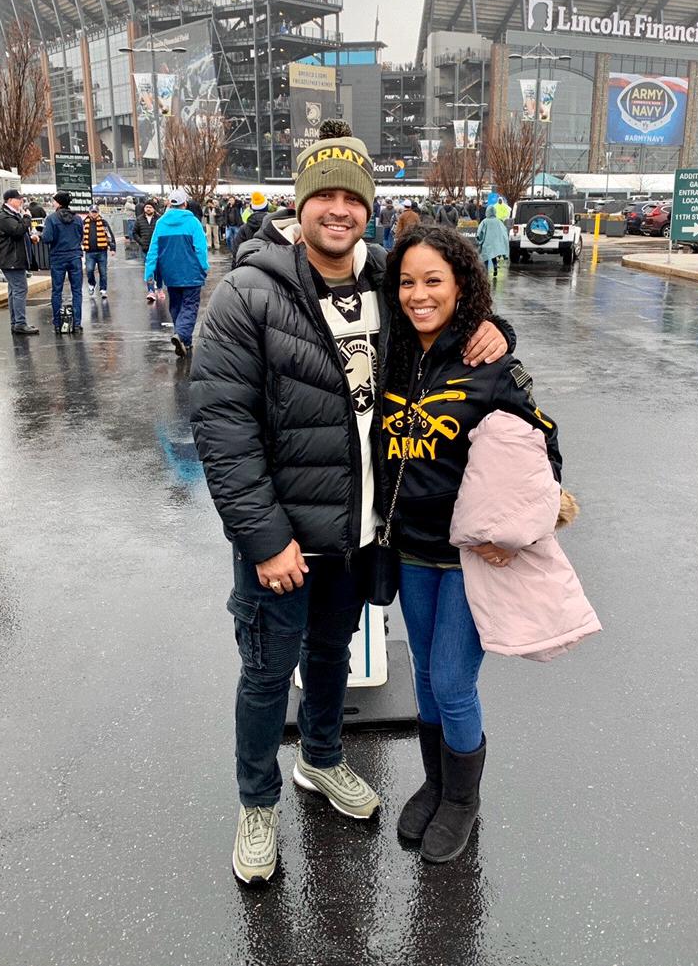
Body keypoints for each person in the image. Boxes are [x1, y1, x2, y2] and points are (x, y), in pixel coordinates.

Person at [188, 119, 510, 885]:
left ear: (369, 206)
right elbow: (222, 427)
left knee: (330, 655)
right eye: (323, 195)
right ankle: (257, 803)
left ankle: (323, 757)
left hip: (357, 534)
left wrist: (496, 328)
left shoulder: (387, 285)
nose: (339, 209)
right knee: (267, 675)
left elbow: (447, 315)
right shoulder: (247, 294)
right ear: (300, 204)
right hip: (282, 540)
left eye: (353, 197)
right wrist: (264, 538)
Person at [381, 223, 561, 864]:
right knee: (427, 676)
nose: (419, 295)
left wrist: (521, 530)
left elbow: (545, 451)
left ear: (461, 287)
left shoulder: (492, 367)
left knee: (455, 682)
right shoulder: (391, 353)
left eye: (434, 280)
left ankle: (462, 799)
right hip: (411, 550)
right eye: (407, 282)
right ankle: (435, 784)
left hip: (469, 560)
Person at [145, 188, 209, 357]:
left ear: (169, 204)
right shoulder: (193, 222)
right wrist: (204, 268)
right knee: (190, 306)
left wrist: (149, 273)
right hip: (192, 273)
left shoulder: (161, 223)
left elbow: (153, 250)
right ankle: (181, 334)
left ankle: (184, 341)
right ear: (185, 204)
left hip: (170, 275)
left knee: (176, 306)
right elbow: (200, 249)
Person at [0, 188, 39, 335]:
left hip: (13, 258)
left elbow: (18, 233)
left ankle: (16, 322)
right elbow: (17, 231)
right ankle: (20, 323)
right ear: (10, 200)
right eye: (19, 199)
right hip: (11, 259)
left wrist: (30, 238)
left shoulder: (12, 215)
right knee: (20, 289)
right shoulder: (5, 216)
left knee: (14, 291)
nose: (21, 201)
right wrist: (27, 218)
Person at [42, 191, 84, 334]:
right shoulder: (77, 218)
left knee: (57, 291)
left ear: (59, 203)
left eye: (54, 201)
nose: (52, 203)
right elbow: (80, 236)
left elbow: (47, 238)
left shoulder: (51, 219)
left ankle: (58, 324)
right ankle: (77, 323)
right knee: (77, 291)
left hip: (58, 257)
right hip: (75, 256)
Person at [82, 203, 116, 299]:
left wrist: (112, 248)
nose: (94, 214)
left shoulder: (104, 222)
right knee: (89, 270)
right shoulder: (84, 223)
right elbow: (80, 236)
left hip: (102, 251)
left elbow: (109, 236)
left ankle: (103, 289)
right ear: (89, 212)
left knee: (103, 272)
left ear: (98, 212)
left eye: (95, 212)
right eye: (92, 212)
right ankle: (92, 284)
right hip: (89, 252)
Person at [133, 200, 164, 303]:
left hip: (158, 249)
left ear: (154, 209)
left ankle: (159, 288)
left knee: (158, 270)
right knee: (149, 270)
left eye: (150, 207)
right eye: (147, 207)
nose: (148, 209)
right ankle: (151, 290)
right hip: (146, 249)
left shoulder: (159, 219)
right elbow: (134, 233)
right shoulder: (139, 219)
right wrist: (141, 241)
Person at [476, 204, 509, 276]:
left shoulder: (484, 221)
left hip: (487, 242)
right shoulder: (498, 221)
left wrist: (479, 240)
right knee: (493, 255)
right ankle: (495, 266)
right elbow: (504, 231)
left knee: (486, 257)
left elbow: (480, 232)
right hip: (496, 243)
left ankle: (486, 272)